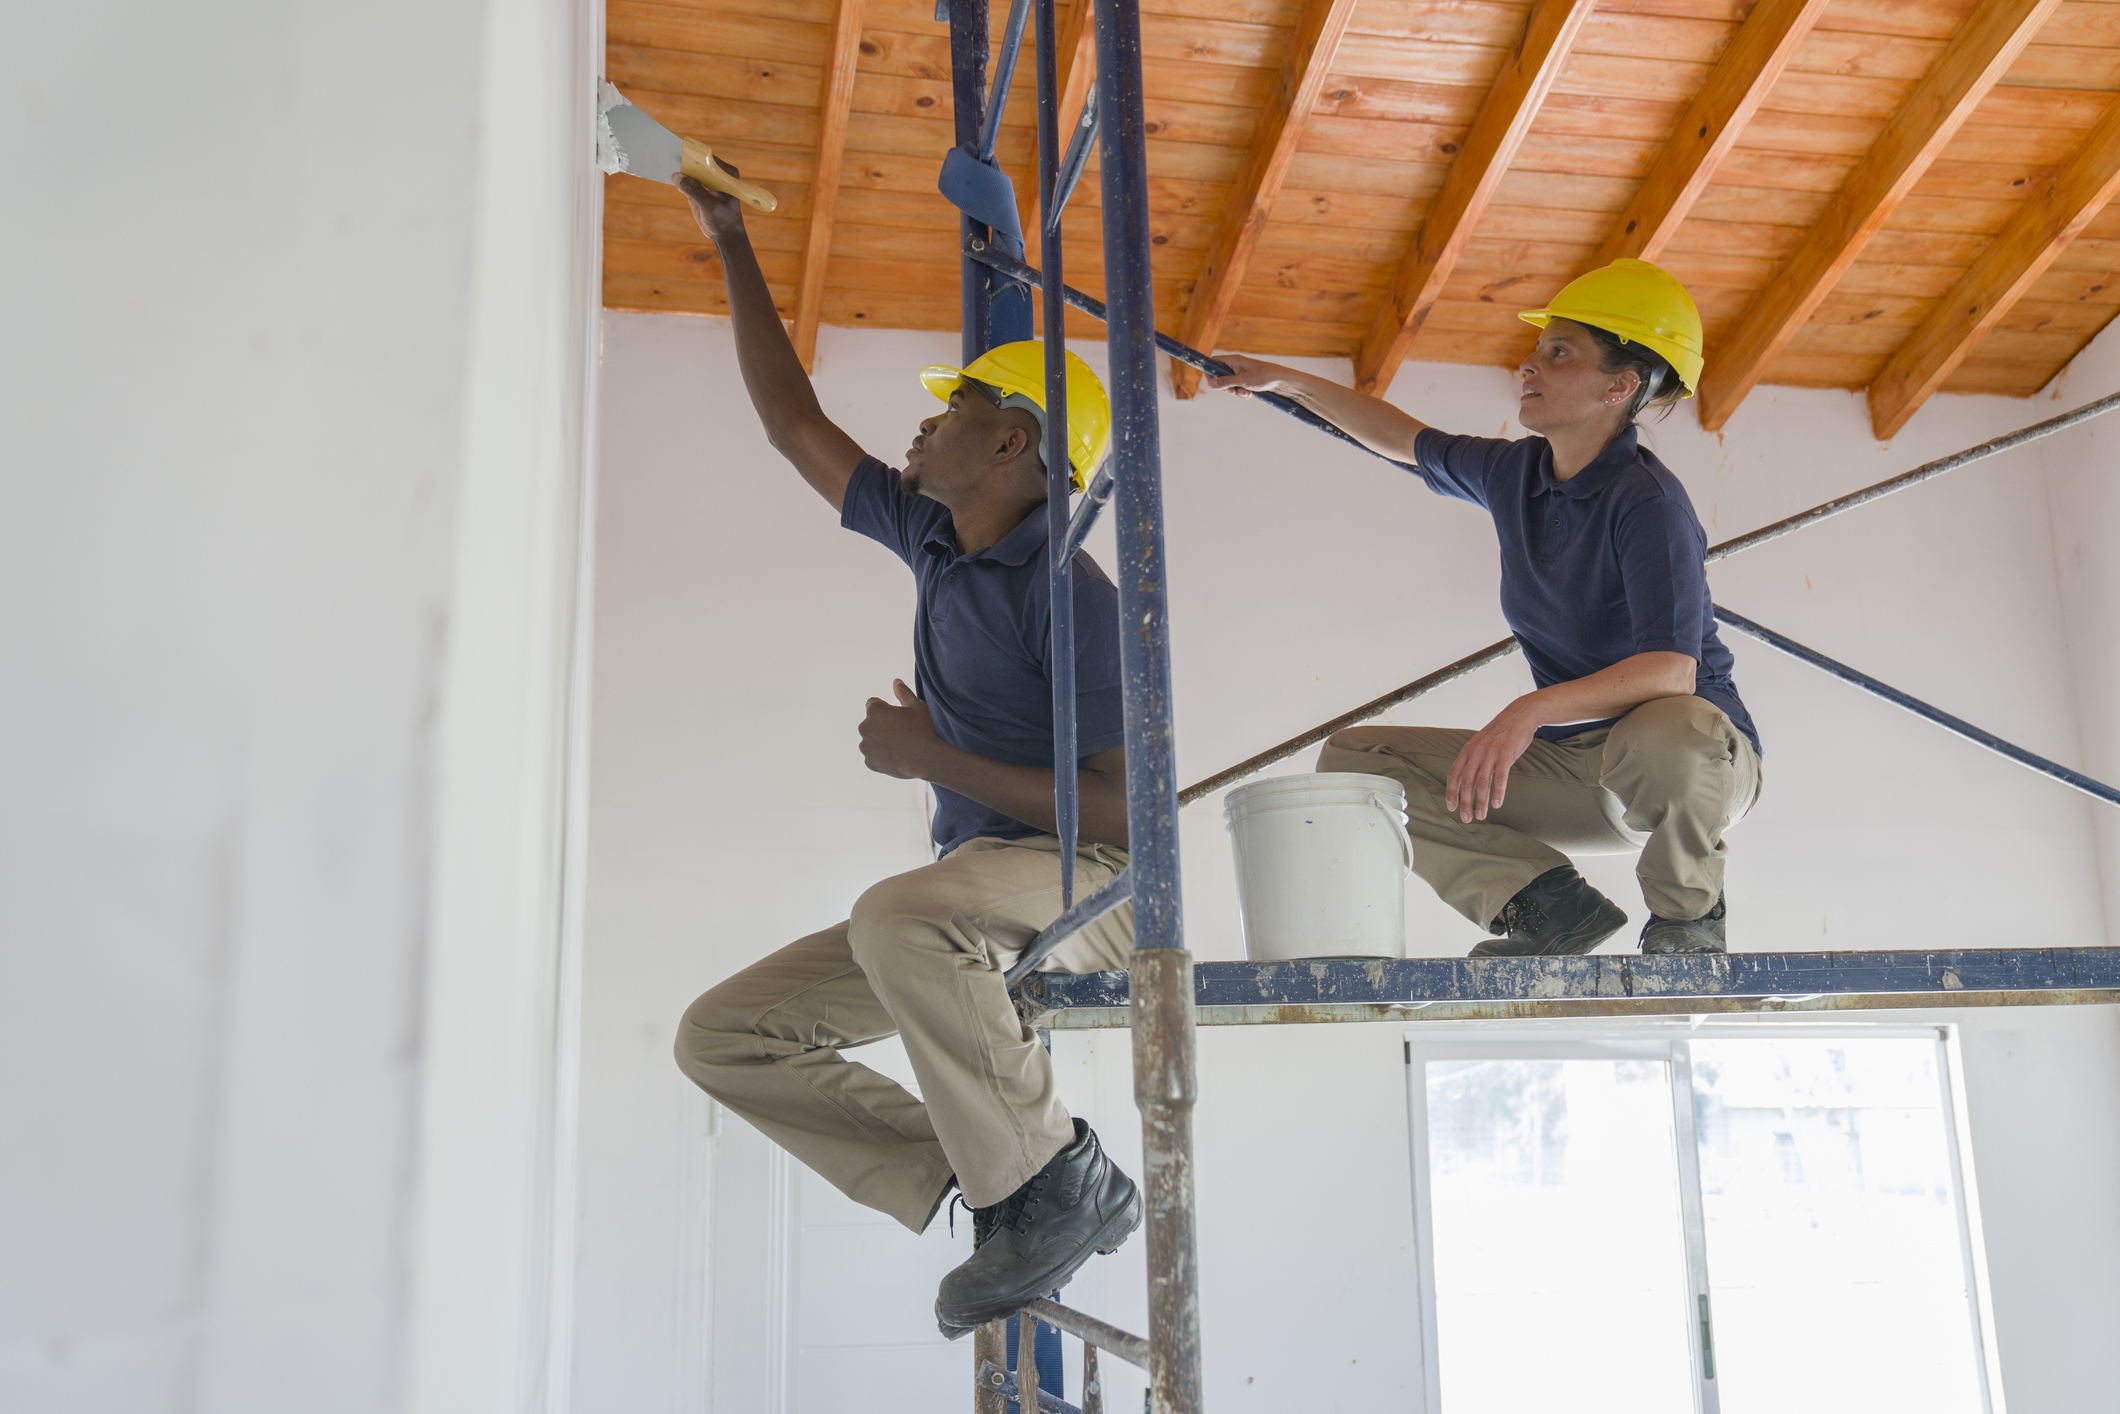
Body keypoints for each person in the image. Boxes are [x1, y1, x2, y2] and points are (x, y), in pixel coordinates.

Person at [666, 171, 1141, 1336]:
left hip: (1092, 884)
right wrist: (729, 234)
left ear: (1012, 443)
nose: (923, 423)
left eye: (954, 408)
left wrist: (934, 756)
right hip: (978, 892)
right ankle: (1010, 1179)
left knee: (897, 912)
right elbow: (792, 426)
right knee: (722, 1034)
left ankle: (1042, 1181)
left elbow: (1130, 819)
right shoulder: (936, 537)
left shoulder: (1066, 591)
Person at [1206, 259, 1762, 956]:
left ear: (1620, 386)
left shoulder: (1646, 502)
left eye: (1559, 353)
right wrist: (1281, 379)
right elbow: (1398, 438)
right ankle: (1544, 906)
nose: (1528, 367)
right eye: (1537, 350)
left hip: (1693, 765)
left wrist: (1526, 711)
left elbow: (1673, 672)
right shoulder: (1515, 475)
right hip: (1584, 774)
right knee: (1358, 762)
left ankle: (1688, 923)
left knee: (1667, 729)